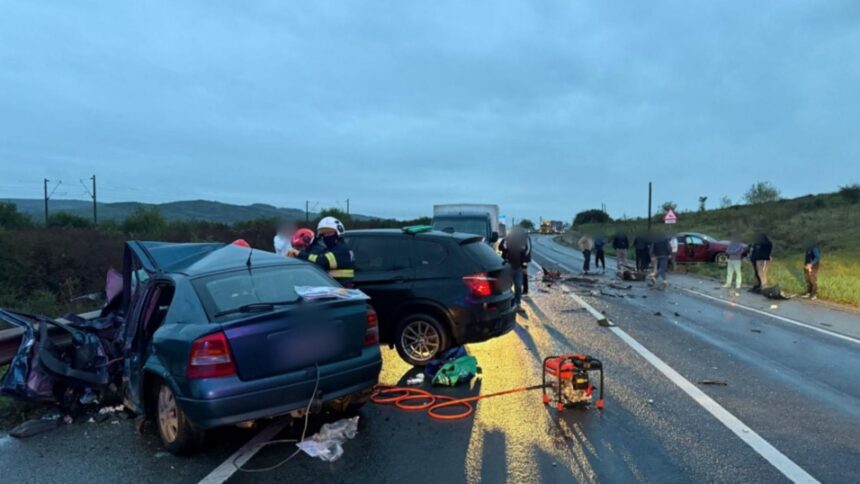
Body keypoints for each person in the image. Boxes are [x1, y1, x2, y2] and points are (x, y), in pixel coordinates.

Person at [293, 217, 355, 288]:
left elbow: (322, 261)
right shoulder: (333, 249)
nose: (326, 236)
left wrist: (299, 254)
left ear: (338, 232)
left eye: (329, 233)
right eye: (324, 234)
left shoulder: (342, 250)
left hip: (341, 288)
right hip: (336, 286)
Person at [499, 229, 529, 311]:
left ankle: (517, 304)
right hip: (507, 268)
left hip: (517, 267)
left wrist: (524, 267)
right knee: (506, 287)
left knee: (518, 286)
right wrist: (507, 243)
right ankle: (506, 305)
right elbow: (501, 247)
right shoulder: (506, 240)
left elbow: (525, 251)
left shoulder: (521, 242)